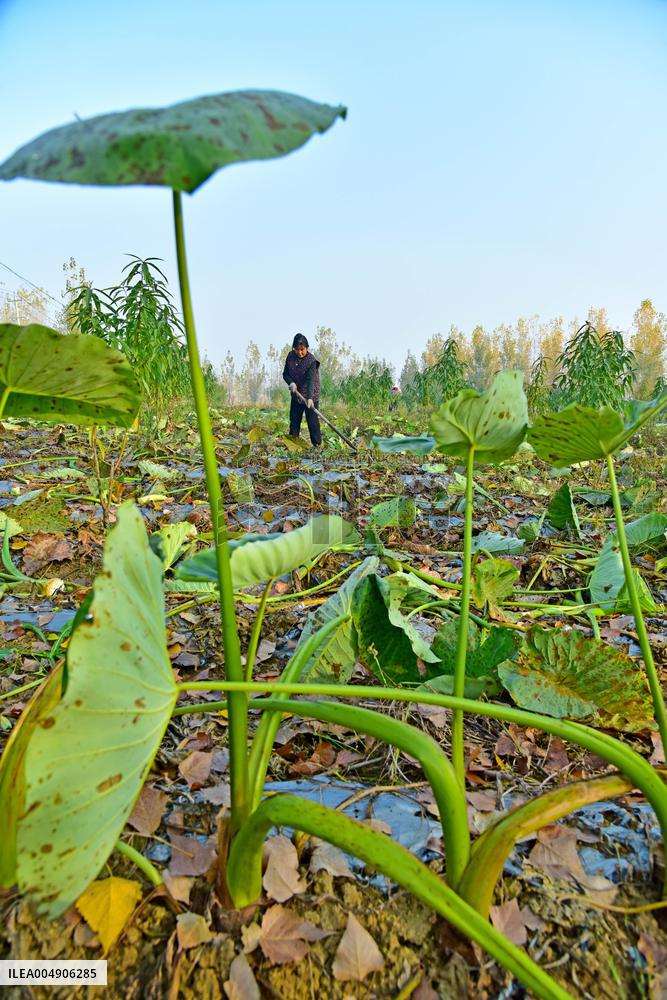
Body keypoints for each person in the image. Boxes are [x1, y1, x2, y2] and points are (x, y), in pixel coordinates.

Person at [282, 334, 322, 446]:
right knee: (294, 421)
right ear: (293, 348)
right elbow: (285, 374)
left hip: (311, 394)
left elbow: (311, 381)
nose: (300, 352)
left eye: (302, 349)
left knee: (312, 423)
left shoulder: (311, 361)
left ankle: (317, 446)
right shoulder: (290, 357)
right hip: (296, 394)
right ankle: (293, 446)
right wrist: (291, 383)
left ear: (307, 348)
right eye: (297, 349)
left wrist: (309, 398)